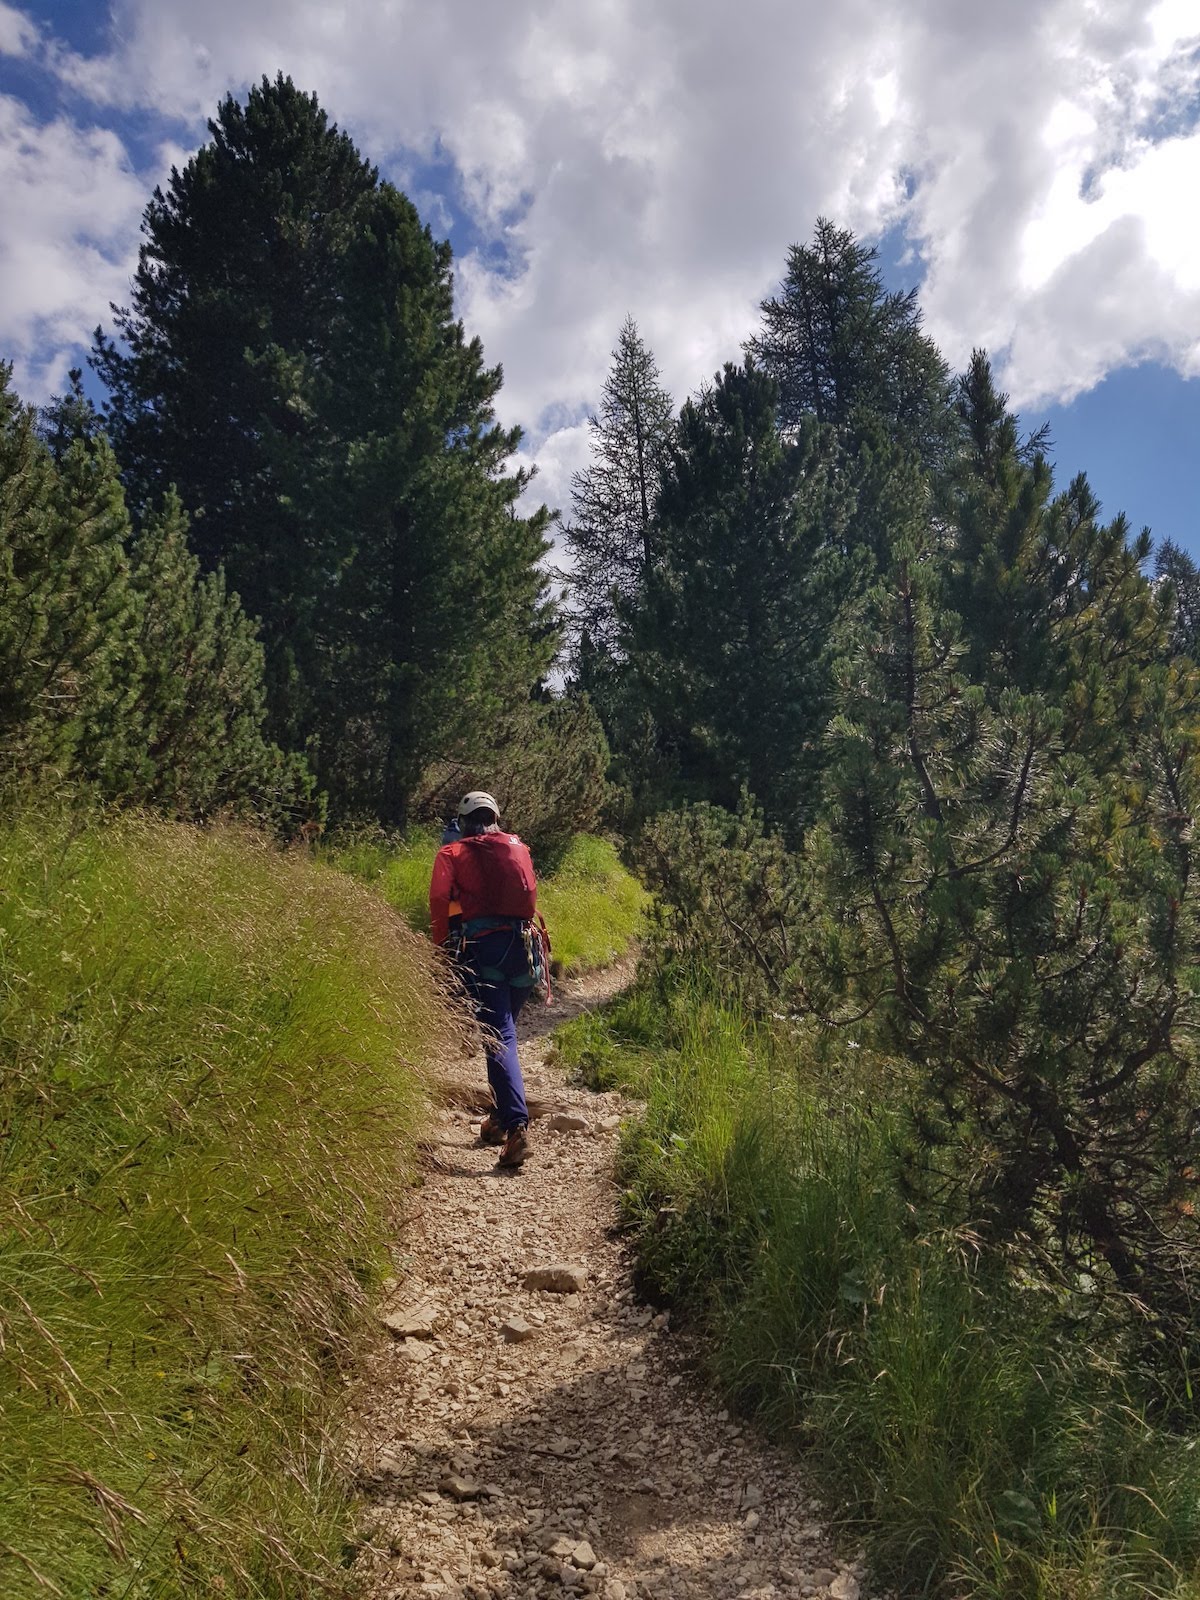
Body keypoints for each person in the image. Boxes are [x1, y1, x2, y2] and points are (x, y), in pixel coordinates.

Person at [429, 791, 539, 1168]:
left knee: (499, 1037)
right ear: (494, 817)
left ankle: (516, 1127)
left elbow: (439, 904)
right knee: (500, 1033)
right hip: (527, 955)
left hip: (486, 951)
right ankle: (498, 1117)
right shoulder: (517, 846)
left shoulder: (452, 853)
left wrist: (439, 950)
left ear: (462, 821)